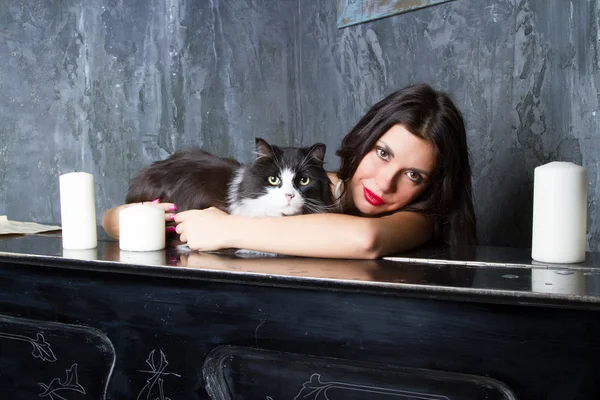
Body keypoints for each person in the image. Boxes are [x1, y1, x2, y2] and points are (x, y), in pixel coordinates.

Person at [102, 83, 476, 259]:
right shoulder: (309, 182)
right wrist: (121, 221)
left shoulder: (419, 218)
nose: (384, 181)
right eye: (382, 153)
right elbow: (111, 220)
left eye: (414, 175)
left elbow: (366, 240)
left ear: (431, 187)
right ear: (366, 137)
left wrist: (227, 228)